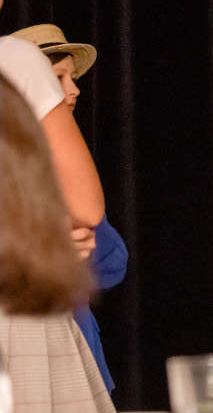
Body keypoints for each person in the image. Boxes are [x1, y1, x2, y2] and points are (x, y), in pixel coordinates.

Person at [10, 23, 128, 394]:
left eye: (73, 78)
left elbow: (112, 265)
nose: (74, 89)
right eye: (59, 77)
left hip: (75, 350)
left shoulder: (66, 172)